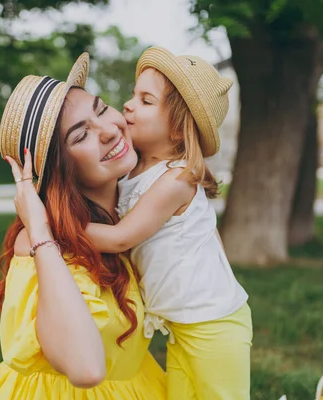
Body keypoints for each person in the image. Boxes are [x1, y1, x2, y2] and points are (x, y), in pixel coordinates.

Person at [0, 53, 168, 399]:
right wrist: (40, 231)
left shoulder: (134, 210)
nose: (108, 130)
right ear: (61, 170)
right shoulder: (41, 244)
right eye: (80, 135)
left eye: (101, 110)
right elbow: (86, 368)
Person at [85, 46, 253, 399]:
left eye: (146, 101)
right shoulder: (132, 173)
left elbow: (119, 238)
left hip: (214, 324)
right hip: (182, 325)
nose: (129, 105)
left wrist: (56, 229)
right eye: (133, 95)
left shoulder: (176, 180)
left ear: (178, 130)